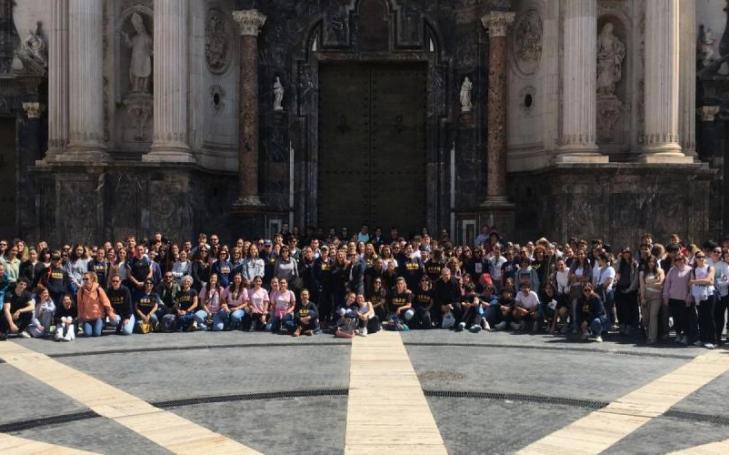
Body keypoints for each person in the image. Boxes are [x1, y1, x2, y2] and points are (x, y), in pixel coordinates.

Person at [663, 254, 692, 345]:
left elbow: (691, 286)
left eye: (681, 259)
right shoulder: (672, 270)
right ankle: (678, 334)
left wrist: (689, 296)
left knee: (684, 319)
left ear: (684, 259)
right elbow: (667, 284)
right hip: (673, 298)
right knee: (676, 318)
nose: (679, 261)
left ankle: (686, 336)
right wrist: (665, 296)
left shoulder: (689, 270)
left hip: (684, 299)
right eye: (677, 259)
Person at [690, 252, 716, 349]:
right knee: (701, 317)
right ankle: (702, 338)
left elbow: (709, 280)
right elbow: (691, 282)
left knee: (709, 316)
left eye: (703, 256)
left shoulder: (710, 268)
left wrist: (695, 281)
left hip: (709, 294)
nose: (701, 258)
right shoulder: (694, 270)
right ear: (695, 258)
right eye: (699, 257)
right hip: (698, 296)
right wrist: (702, 281)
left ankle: (712, 340)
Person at [77, 272, 115, 337]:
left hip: (98, 317)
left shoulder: (98, 289)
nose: (85, 281)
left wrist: (110, 313)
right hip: (87, 318)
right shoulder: (81, 290)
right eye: (83, 279)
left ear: (92, 279)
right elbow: (80, 304)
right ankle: (89, 326)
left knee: (97, 334)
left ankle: (103, 324)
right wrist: (80, 316)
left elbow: (106, 302)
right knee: (88, 334)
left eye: (87, 279)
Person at [639, 256, 665, 344]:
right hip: (646, 296)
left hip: (656, 296)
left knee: (653, 316)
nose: (651, 263)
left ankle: (652, 338)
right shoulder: (642, 273)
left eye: (653, 262)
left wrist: (649, 284)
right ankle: (647, 333)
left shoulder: (660, 271)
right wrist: (642, 298)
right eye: (650, 261)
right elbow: (642, 286)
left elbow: (661, 284)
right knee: (646, 318)